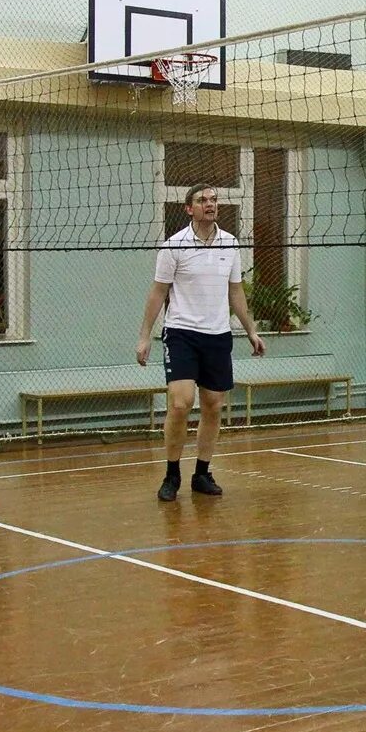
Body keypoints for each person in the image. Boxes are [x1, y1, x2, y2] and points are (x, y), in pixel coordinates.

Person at [135, 184, 266, 500]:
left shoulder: (230, 243)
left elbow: (235, 291)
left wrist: (250, 330)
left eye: (213, 200)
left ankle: (202, 473)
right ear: (189, 208)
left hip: (218, 335)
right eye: (202, 200)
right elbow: (158, 292)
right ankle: (171, 475)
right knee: (180, 403)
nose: (210, 204)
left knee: (213, 405)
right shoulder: (173, 246)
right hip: (181, 334)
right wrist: (144, 337)